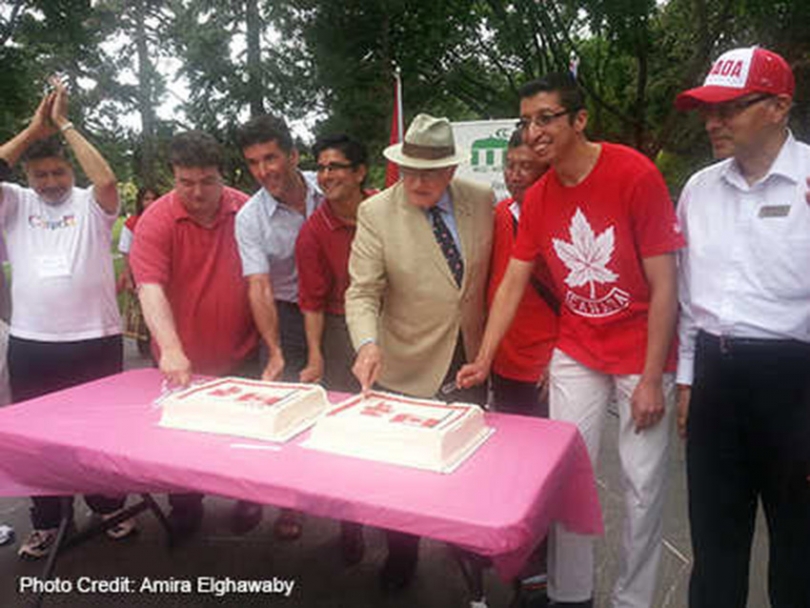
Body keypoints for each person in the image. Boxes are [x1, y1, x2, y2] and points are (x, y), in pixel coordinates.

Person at [458, 73, 684, 608]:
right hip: (578, 347)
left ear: (579, 120)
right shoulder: (537, 197)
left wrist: (653, 378)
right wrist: (484, 358)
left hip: (640, 352)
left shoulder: (634, 173)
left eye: (546, 118)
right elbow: (513, 281)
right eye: (526, 121)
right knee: (566, 477)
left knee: (643, 486)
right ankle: (569, 595)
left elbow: (665, 282)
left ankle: (633, 600)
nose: (534, 132)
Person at [673, 46, 810, 608]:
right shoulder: (699, 190)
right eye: (709, 109)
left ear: (778, 107)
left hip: (795, 383)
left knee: (800, 547)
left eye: (729, 108)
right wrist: (686, 379)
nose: (713, 122)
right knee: (715, 541)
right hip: (714, 377)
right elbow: (686, 297)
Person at [346, 113, 494, 591]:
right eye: (409, 169)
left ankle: (466, 542)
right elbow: (362, 292)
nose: (417, 181)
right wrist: (367, 343)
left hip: (467, 356)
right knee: (401, 471)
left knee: (463, 458)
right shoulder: (376, 213)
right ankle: (402, 551)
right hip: (403, 358)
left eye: (430, 172)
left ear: (451, 170)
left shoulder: (481, 200)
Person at [0, 78, 134, 559]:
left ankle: (106, 507)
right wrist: (35, 131)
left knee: (98, 433)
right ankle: (48, 521)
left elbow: (107, 180)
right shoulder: (14, 203)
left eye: (59, 173)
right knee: (36, 439)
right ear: (29, 178)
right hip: (33, 342)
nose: (52, 182)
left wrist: (66, 124)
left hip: (94, 338)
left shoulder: (89, 204)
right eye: (42, 175)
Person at [130, 131, 262, 541]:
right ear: (173, 176)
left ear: (223, 174)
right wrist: (170, 348)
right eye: (186, 182)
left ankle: (248, 498)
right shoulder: (156, 220)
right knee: (178, 442)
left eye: (207, 180)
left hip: (241, 351)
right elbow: (149, 287)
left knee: (243, 437)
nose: (198, 192)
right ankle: (184, 507)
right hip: (179, 358)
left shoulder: (246, 209)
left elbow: (266, 278)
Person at [235, 114, 324, 541]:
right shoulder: (251, 218)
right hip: (288, 311)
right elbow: (259, 285)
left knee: (347, 400)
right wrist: (274, 350)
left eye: (271, 157)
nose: (264, 170)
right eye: (253, 162)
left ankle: (351, 514)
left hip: (342, 310)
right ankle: (291, 500)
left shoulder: (332, 185)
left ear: (292, 154)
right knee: (288, 408)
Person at [295, 134, 372, 565]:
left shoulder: (389, 210)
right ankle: (351, 523)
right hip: (342, 334)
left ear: (360, 172)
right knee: (350, 434)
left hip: (398, 329)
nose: (326, 176)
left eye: (336, 166)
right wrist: (316, 357)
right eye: (321, 168)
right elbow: (311, 300)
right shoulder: (313, 232)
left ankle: (405, 535)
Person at [488, 128, 556, 415]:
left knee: (548, 449)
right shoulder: (499, 214)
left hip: (545, 365)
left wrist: (562, 360)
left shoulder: (559, 219)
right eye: (510, 165)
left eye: (526, 166)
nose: (514, 175)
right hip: (501, 361)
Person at [118, 186, 159, 357]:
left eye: (153, 198)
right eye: (146, 199)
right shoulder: (132, 223)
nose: (149, 203)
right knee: (142, 312)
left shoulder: (165, 220)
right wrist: (128, 277)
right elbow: (125, 252)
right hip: (139, 273)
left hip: (161, 273)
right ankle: (145, 347)